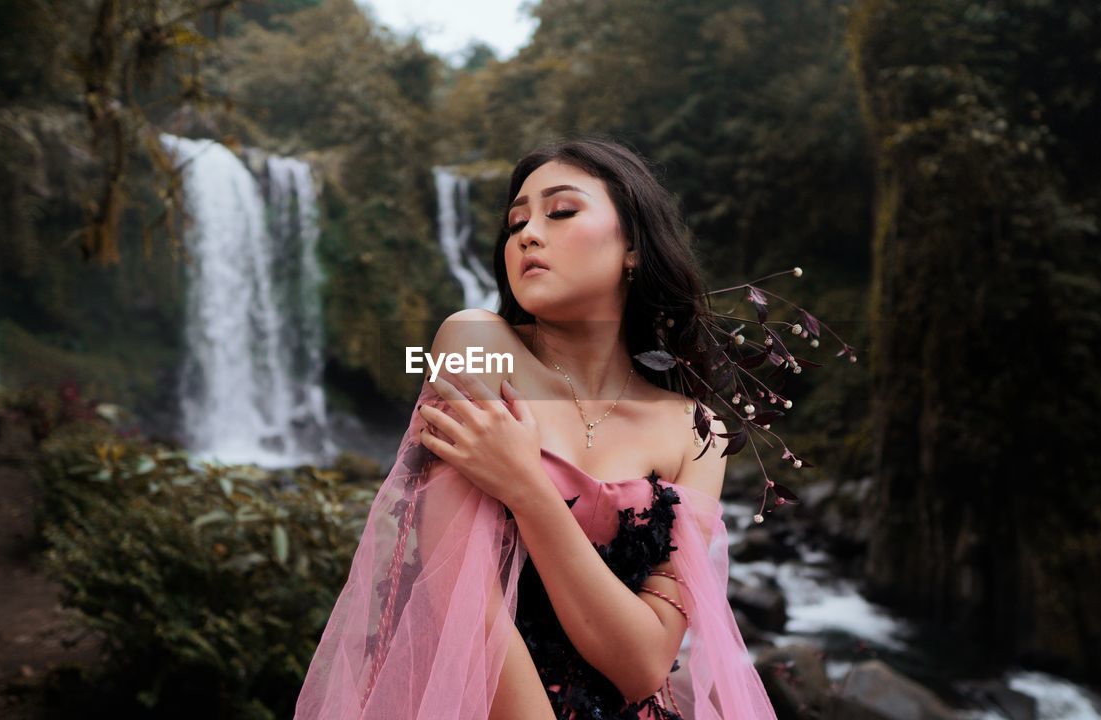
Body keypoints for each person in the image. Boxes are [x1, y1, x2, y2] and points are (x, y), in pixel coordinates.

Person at [294, 137, 776, 719]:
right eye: (516, 222)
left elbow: (645, 663)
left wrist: (526, 487)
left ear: (634, 248)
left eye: (562, 211)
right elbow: (466, 609)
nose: (526, 234)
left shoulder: (698, 431)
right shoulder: (477, 345)